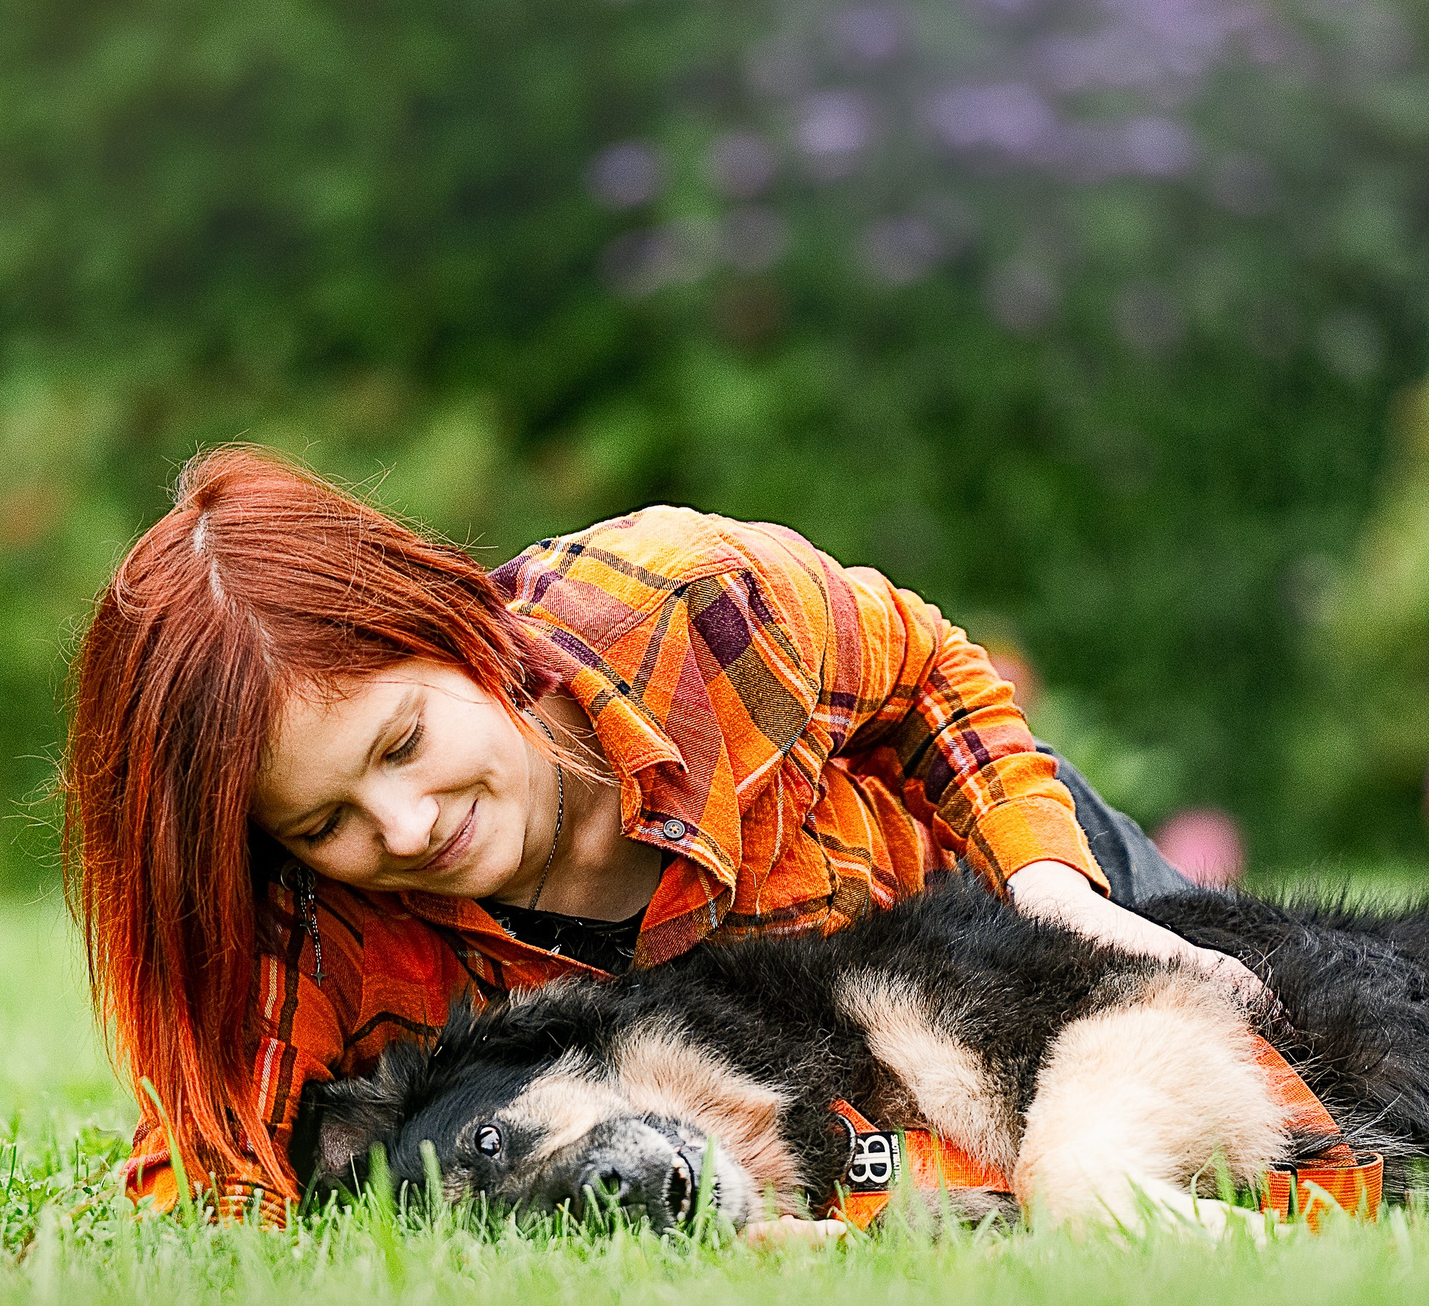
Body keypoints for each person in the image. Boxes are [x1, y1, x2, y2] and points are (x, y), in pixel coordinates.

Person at [61, 445, 1264, 1221]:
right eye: (326, 821)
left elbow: (928, 679)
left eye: (402, 743)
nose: (407, 826)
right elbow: (209, 1189)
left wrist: (1053, 886)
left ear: (450, 626)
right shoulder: (323, 933)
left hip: (1001, 927)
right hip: (864, 1116)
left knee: (1301, 1083)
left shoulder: (680, 607)